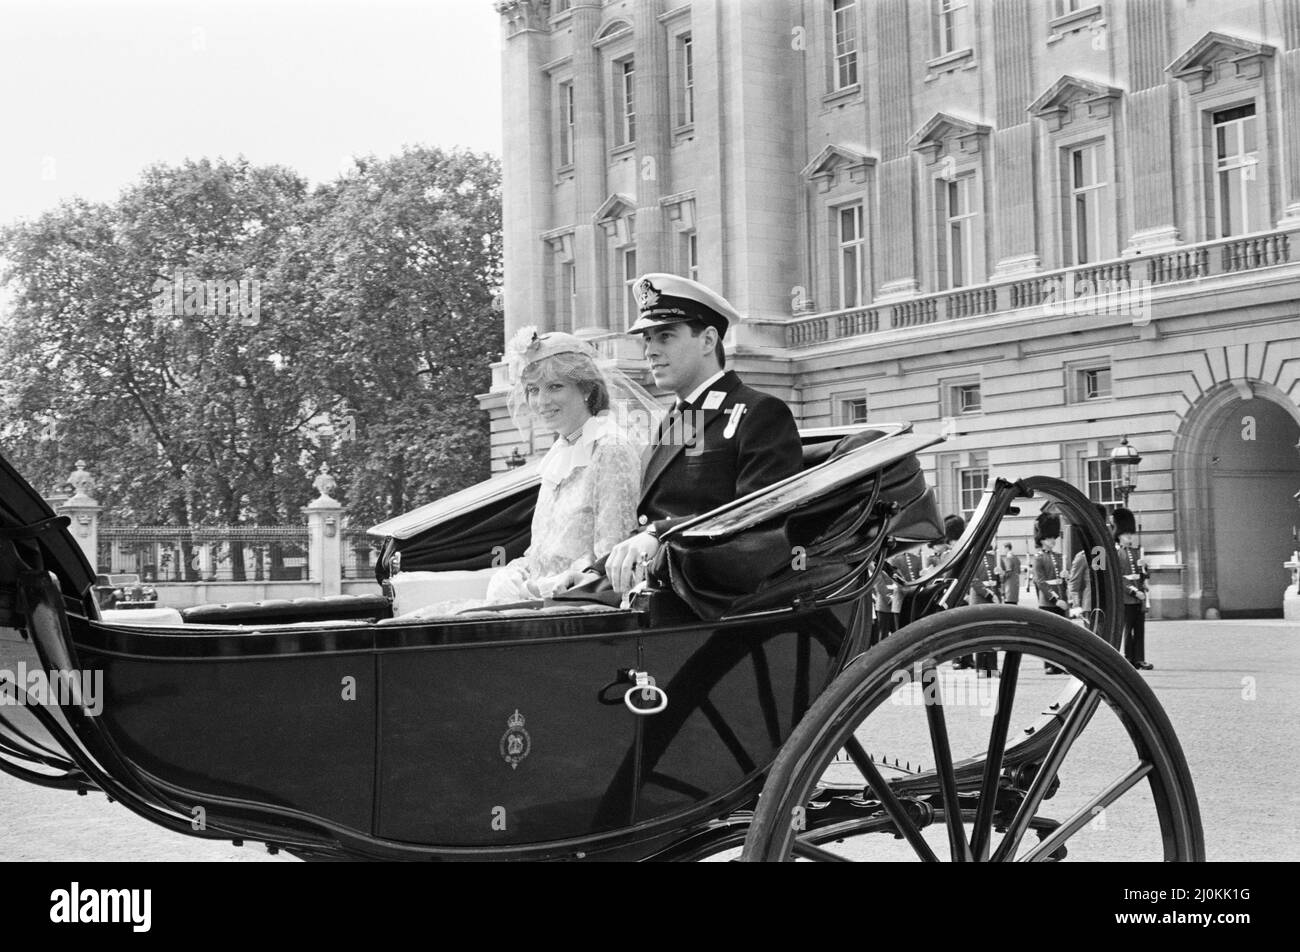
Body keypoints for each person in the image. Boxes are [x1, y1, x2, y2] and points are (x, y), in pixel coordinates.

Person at [566, 273, 804, 595]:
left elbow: (758, 522)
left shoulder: (758, 413)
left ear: (708, 340)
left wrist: (659, 533)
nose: (650, 350)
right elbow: (644, 528)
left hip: (709, 600)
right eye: (647, 339)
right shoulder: (676, 418)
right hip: (654, 590)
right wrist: (588, 575)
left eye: (665, 336)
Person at [401, 330, 654, 618]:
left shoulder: (610, 449)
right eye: (533, 390)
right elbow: (542, 553)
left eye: (555, 386)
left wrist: (542, 588)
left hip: (577, 610)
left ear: (586, 389)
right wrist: (514, 573)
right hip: (539, 603)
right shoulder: (560, 452)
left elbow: (612, 558)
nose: (542, 402)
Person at [1113, 506, 1153, 670]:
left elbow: (1144, 576)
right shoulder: (1116, 553)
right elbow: (1119, 578)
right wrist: (1133, 591)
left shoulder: (1137, 553)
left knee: (1140, 629)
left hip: (1139, 597)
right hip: (1127, 597)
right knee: (1128, 630)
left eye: (1130, 534)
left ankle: (1140, 658)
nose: (1129, 537)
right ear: (1119, 535)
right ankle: (1129, 658)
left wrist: (1145, 568)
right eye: (1126, 534)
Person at [1033, 511, 1069, 674]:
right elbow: (1040, 582)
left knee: (1062, 636)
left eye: (1054, 538)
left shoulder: (1060, 557)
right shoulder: (1038, 558)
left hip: (1061, 599)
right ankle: (1049, 664)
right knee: (1048, 636)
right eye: (1049, 538)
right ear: (1042, 539)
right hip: (1048, 602)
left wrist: (1066, 577)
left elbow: (1062, 581)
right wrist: (1055, 600)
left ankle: (1061, 664)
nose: (1053, 541)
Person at [1068, 504, 1111, 625]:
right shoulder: (1082, 557)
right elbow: (1074, 584)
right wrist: (1076, 604)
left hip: (1107, 603)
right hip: (1091, 605)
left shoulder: (1106, 552)